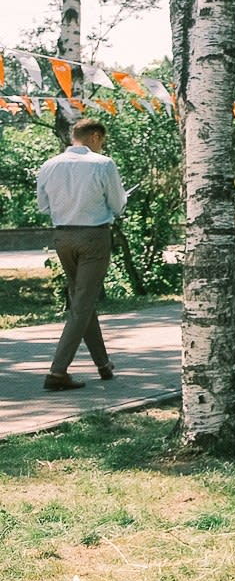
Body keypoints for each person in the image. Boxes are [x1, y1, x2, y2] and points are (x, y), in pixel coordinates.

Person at [34, 117, 126, 391]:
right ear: (96, 136)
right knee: (82, 303)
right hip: (94, 236)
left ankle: (103, 364)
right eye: (103, 140)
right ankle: (57, 372)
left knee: (81, 299)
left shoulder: (49, 165)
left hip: (62, 236)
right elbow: (118, 205)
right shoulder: (103, 164)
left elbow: (43, 206)